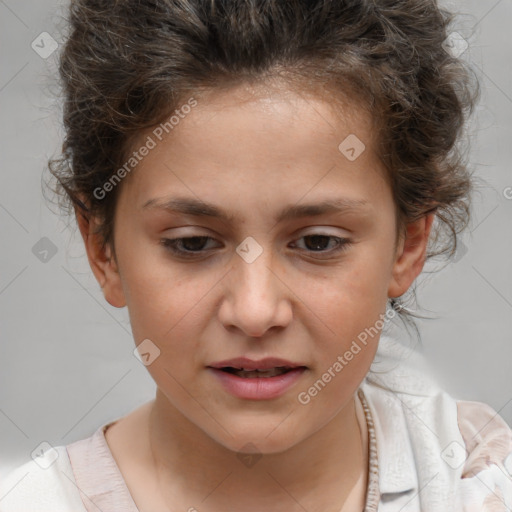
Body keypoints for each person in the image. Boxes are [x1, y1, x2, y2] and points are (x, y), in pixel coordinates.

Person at [1, 0, 511, 511]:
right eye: (192, 243)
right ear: (102, 248)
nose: (255, 311)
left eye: (318, 242)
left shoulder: (481, 485)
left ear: (410, 243)